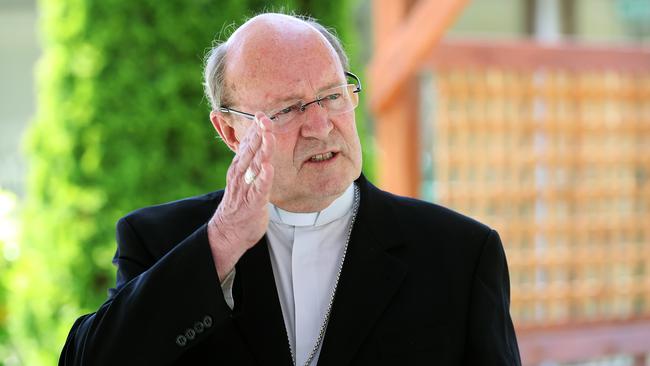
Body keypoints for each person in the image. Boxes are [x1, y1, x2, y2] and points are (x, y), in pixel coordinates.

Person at [59, 12, 521, 366]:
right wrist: (220, 245)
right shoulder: (158, 240)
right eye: (288, 109)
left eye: (332, 95)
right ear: (231, 132)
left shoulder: (460, 254)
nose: (320, 126)